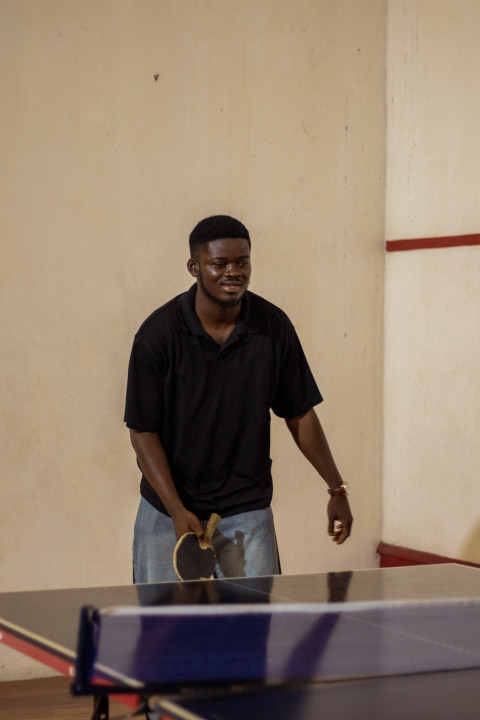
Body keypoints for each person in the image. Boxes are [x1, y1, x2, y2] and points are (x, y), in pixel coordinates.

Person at [125, 215, 353, 583]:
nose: (233, 272)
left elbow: (299, 413)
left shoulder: (273, 327)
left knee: (252, 634)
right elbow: (142, 431)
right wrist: (176, 509)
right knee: (161, 637)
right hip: (166, 512)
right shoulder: (158, 335)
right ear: (194, 267)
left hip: (247, 510)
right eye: (220, 263)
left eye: (242, 262)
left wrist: (336, 487)